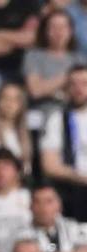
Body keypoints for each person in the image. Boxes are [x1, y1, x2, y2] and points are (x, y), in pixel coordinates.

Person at [40, 65, 87, 222]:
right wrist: (81, 177)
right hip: (74, 189)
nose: (79, 89)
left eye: (84, 83)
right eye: (73, 84)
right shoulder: (57, 119)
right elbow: (49, 165)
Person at [23, 9, 83, 115]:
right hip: (41, 113)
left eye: (63, 27)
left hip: (73, 114)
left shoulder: (80, 59)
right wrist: (69, 76)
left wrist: (49, 88)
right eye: (53, 27)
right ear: (45, 31)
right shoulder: (34, 56)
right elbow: (35, 90)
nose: (59, 32)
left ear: (71, 31)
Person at [28, 184, 87, 252]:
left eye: (49, 201)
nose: (43, 207)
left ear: (59, 205)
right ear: (30, 207)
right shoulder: (23, 234)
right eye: (37, 202)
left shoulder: (72, 227)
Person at [0, 83, 32, 173]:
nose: (9, 104)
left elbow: (27, 169)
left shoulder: (26, 136)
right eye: (5, 98)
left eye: (16, 100)